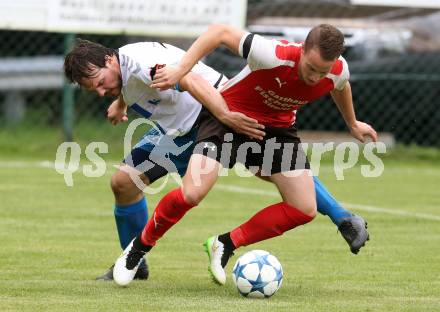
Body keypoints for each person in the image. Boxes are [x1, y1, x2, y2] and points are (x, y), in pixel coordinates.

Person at [113, 24, 377, 286]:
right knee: (193, 192)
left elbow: (341, 86)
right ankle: (139, 248)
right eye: (310, 68)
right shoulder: (272, 54)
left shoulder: (337, 70)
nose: (315, 78)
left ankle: (224, 244)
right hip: (229, 118)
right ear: (302, 50)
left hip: (276, 130)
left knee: (304, 208)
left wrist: (352, 123)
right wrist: (182, 69)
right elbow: (220, 32)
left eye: (323, 72)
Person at [64, 39, 263, 281]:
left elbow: (188, 79)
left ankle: (322, 208)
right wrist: (120, 103)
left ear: (108, 60)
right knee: (124, 183)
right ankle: (134, 263)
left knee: (277, 171)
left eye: (100, 83)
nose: (100, 92)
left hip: (209, 114)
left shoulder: (140, 64)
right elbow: (134, 82)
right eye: (93, 90)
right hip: (175, 129)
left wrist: (225, 116)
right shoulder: (123, 64)